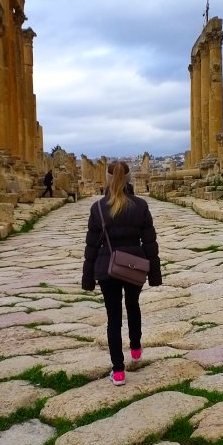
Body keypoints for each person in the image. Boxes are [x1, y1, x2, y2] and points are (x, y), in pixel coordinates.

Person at [82, 161, 161, 386]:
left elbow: (91, 247)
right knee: (133, 306)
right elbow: (150, 243)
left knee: (113, 317)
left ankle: (118, 371)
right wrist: (154, 274)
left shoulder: (97, 208)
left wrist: (88, 277)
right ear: (128, 179)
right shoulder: (141, 206)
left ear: (107, 178)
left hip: (107, 268)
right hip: (134, 264)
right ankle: (135, 347)